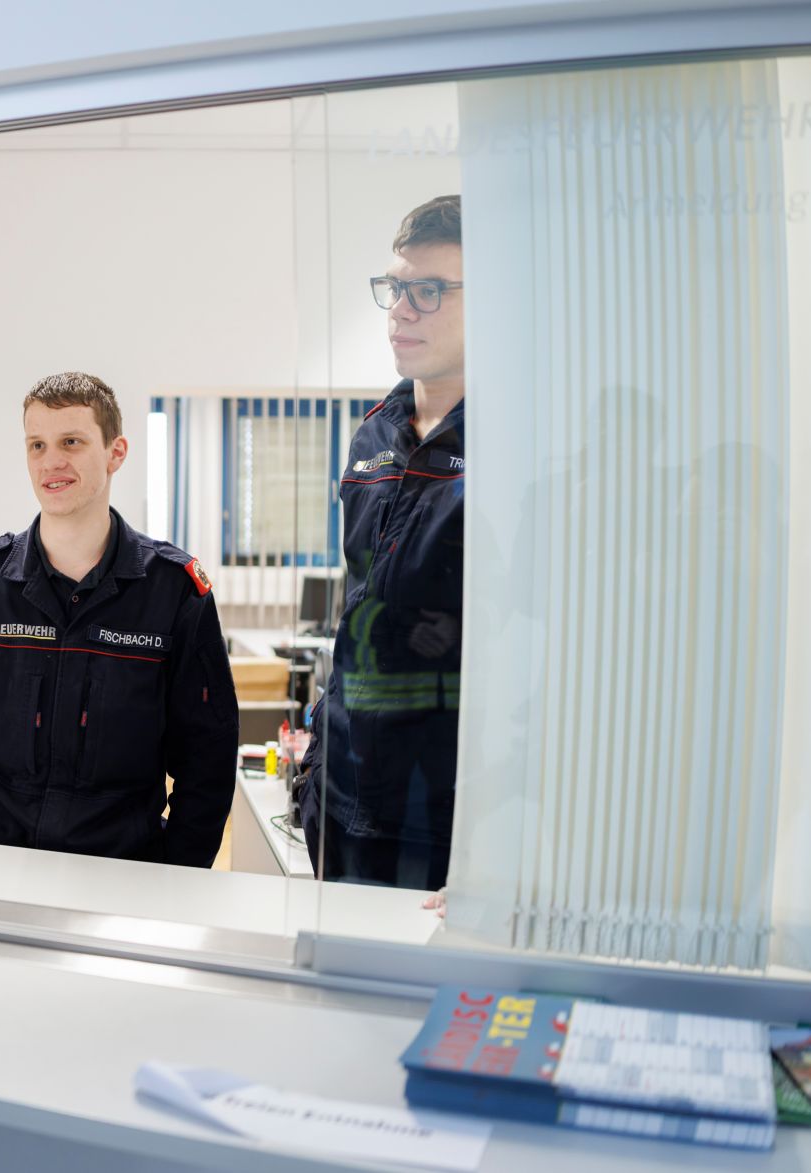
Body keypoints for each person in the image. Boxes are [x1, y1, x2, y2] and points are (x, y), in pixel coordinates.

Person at [0, 372, 238, 867]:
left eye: (71, 441)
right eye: (37, 445)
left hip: (121, 870)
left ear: (116, 452)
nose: (52, 462)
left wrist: (178, 879)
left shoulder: (173, 591)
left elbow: (207, 761)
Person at [299, 195, 465, 892]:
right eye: (397, 288)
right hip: (343, 793)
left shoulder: (522, 443)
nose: (401, 309)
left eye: (428, 290)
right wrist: (314, 763)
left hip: (441, 812)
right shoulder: (374, 434)